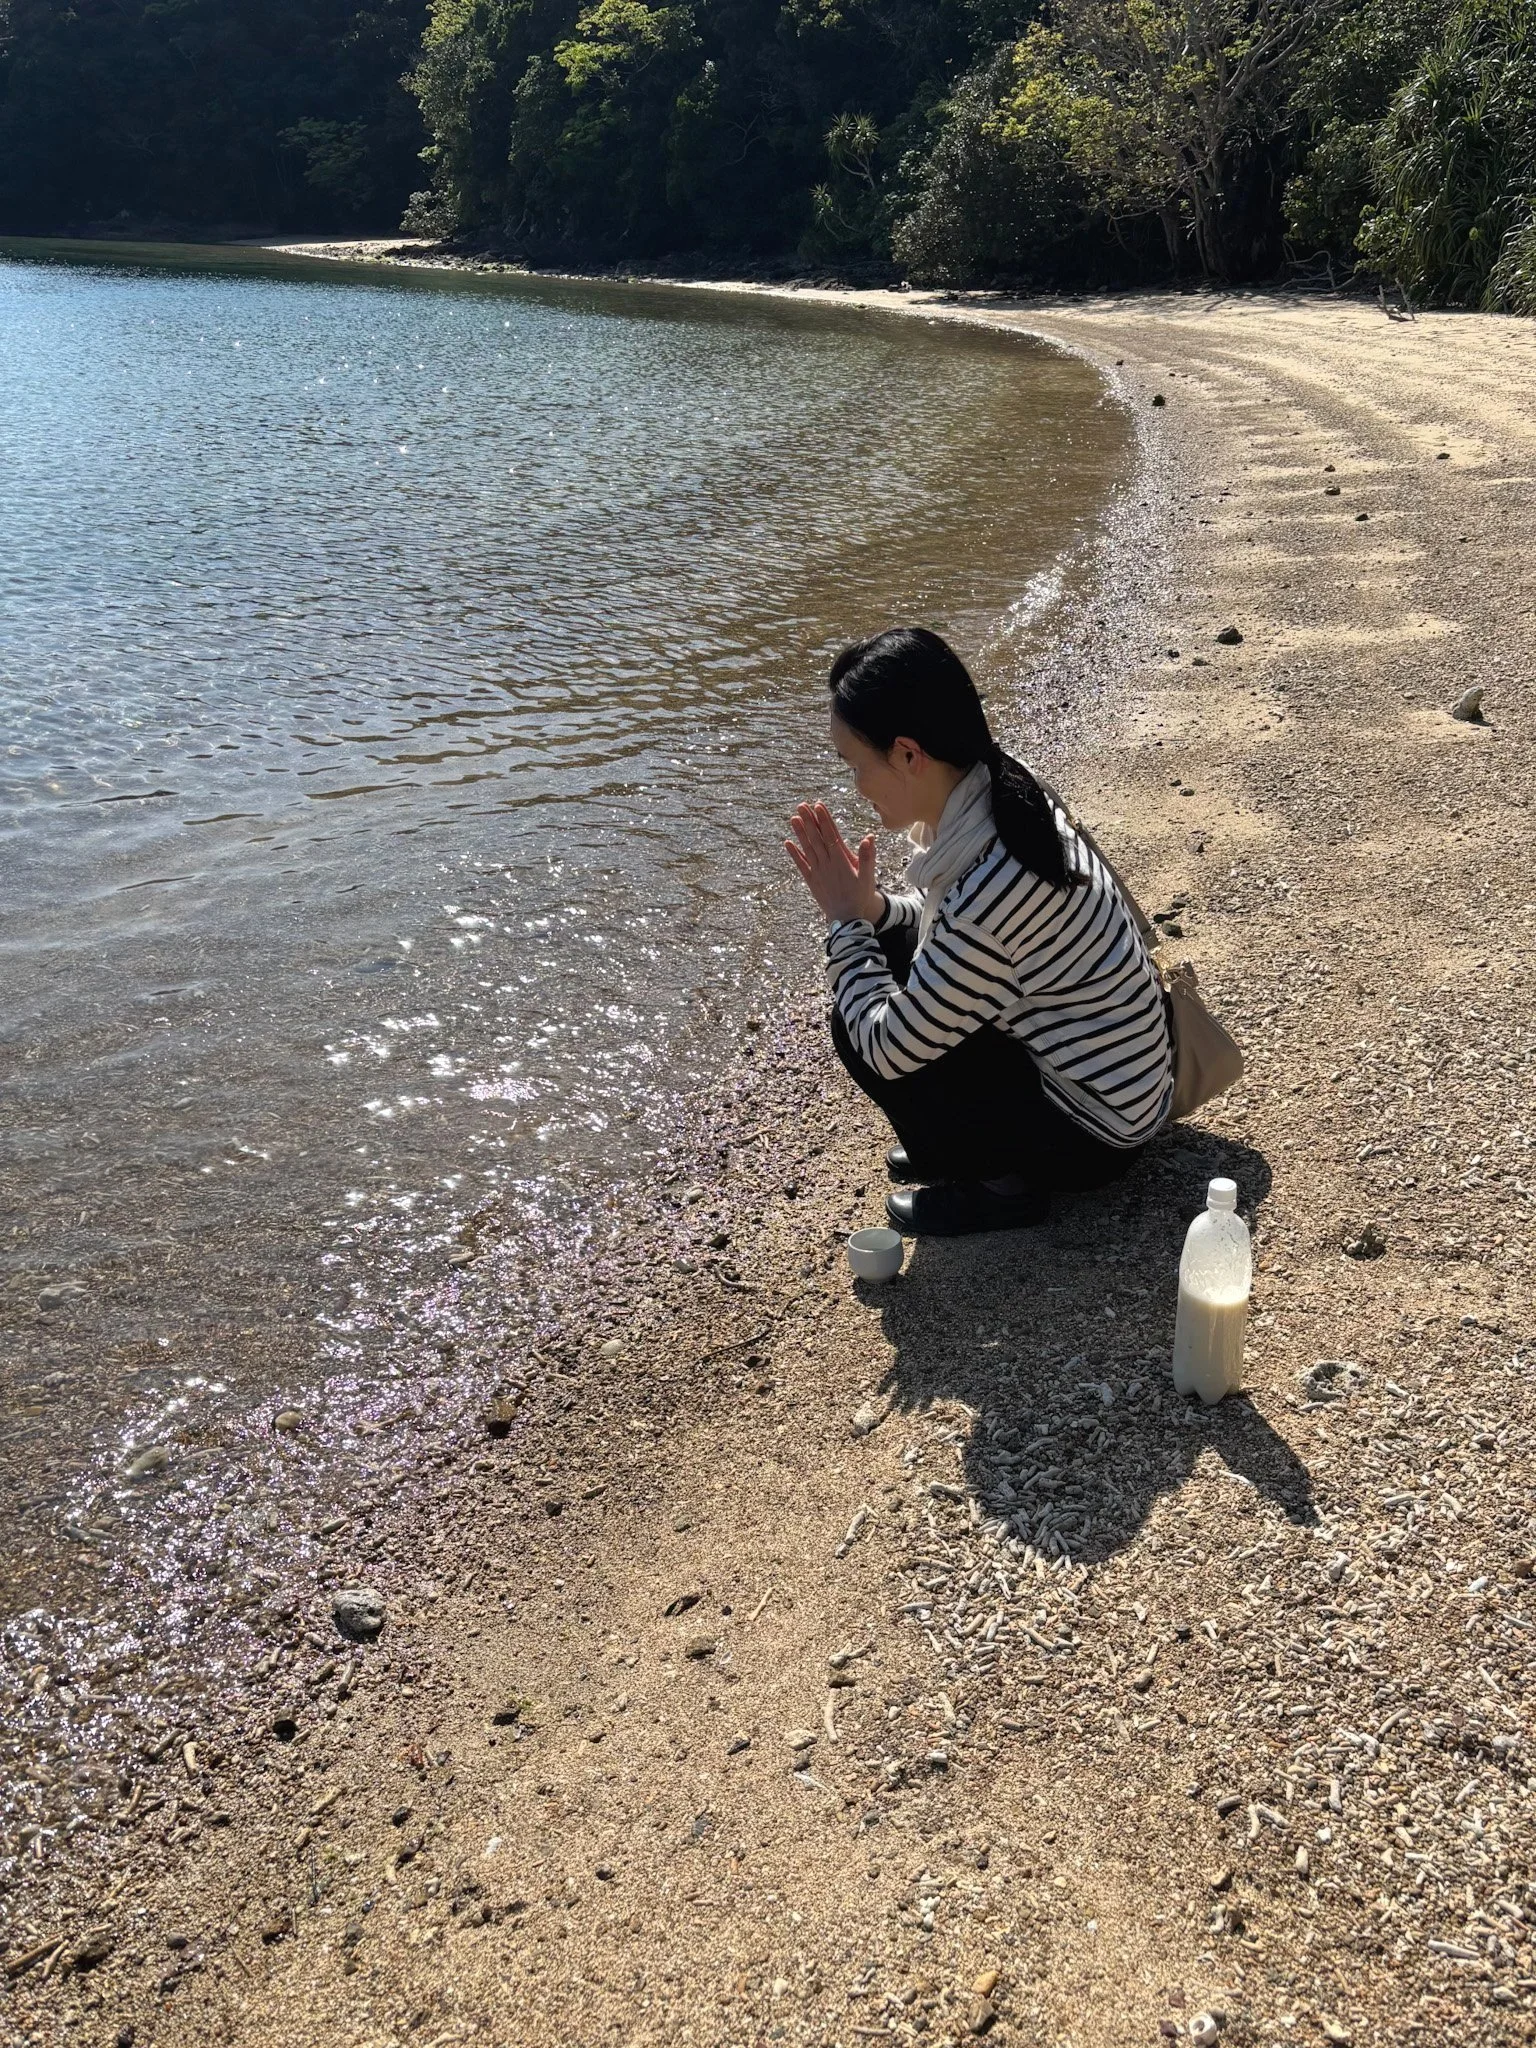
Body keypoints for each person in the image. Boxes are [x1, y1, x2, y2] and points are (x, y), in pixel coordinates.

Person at [784, 626, 1173, 1236]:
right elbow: (953, 932)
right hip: (1117, 1079)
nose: (854, 786)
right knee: (887, 946)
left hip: (1099, 1134)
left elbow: (889, 1048)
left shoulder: (993, 887)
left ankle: (1001, 1188)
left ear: (909, 755)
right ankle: (966, 1147)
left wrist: (843, 922)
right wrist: (877, 912)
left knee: (854, 1022)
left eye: (855, 766)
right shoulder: (1002, 784)